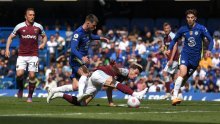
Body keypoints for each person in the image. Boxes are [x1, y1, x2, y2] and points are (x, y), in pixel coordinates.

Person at [47, 14, 109, 101]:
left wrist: (100, 38)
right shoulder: (77, 33)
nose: (95, 28)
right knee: (86, 74)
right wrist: (82, 57)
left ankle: (53, 90)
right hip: (75, 59)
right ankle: (80, 95)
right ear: (88, 23)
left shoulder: (87, 31)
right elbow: (72, 49)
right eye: (93, 25)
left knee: (75, 86)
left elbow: (90, 36)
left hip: (80, 59)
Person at [165, 9, 213, 106]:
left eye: (192, 17)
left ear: (195, 18)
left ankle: (175, 90)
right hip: (185, 54)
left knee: (183, 80)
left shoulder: (201, 28)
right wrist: (169, 49)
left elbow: (211, 40)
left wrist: (209, 50)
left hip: (195, 59)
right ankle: (174, 97)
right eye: (188, 17)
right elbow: (174, 40)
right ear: (186, 19)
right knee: (182, 72)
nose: (190, 19)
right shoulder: (183, 29)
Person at [47, 62, 147, 106]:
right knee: (114, 83)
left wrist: (110, 102)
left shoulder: (123, 78)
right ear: (132, 69)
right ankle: (136, 94)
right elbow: (117, 70)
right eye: (136, 73)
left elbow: (109, 88)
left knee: (82, 103)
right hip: (98, 74)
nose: (135, 76)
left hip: (97, 82)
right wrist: (114, 66)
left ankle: (59, 94)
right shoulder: (125, 71)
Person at [5, 8, 47, 102]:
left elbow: (44, 37)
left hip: (34, 55)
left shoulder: (38, 26)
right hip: (22, 55)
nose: (32, 16)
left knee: (32, 76)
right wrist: (7, 49)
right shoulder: (19, 26)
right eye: (30, 15)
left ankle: (30, 97)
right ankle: (20, 88)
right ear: (26, 16)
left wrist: (43, 44)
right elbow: (10, 37)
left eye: (33, 15)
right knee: (19, 74)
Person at [159, 22, 179, 99]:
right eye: (165, 29)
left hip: (173, 59)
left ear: (170, 28)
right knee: (174, 77)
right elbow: (165, 47)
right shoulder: (165, 37)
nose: (166, 30)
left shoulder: (172, 36)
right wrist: (164, 50)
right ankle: (178, 94)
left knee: (164, 74)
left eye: (167, 28)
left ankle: (168, 93)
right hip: (170, 59)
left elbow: (175, 47)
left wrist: (171, 59)